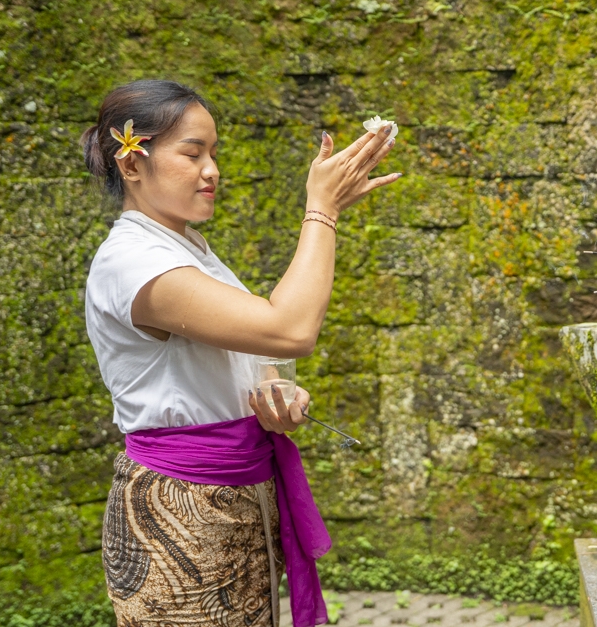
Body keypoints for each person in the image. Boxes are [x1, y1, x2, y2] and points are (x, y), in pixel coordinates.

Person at [81, 79, 400, 627]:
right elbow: (288, 330)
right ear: (131, 163)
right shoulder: (133, 262)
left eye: (214, 153)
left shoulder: (187, 248)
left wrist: (274, 391)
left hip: (238, 497)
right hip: (181, 512)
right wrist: (322, 210)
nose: (212, 170)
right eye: (193, 153)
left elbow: (252, 353)